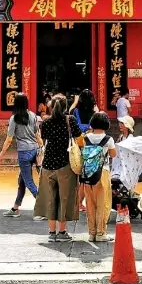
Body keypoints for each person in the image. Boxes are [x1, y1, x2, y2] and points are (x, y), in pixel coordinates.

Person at [34, 94, 84, 242]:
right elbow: (79, 137)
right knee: (64, 198)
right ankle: (62, 232)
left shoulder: (46, 122)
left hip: (48, 164)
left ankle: (51, 231)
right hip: (65, 164)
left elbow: (43, 138)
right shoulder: (70, 120)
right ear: (65, 106)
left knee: (50, 198)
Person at [0, 93, 45, 219]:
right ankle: (15, 208)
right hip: (34, 150)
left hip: (24, 153)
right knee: (22, 181)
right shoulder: (33, 115)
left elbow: (9, 139)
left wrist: (0, 155)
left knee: (28, 182)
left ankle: (44, 207)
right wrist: (42, 147)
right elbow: (37, 135)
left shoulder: (14, 118)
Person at [81, 111, 117, 242]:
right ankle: (101, 233)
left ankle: (92, 233)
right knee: (103, 203)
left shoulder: (86, 138)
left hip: (88, 174)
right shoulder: (109, 139)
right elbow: (113, 155)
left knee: (90, 203)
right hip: (103, 173)